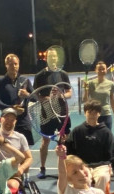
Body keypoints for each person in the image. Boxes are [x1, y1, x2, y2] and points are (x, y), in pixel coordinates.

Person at [62, 99, 114, 193]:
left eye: (95, 112)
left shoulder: (106, 132)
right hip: (83, 166)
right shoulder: (77, 131)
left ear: (99, 114)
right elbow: (69, 152)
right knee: (82, 179)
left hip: (102, 166)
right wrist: (64, 144)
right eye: (89, 112)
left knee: (102, 177)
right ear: (85, 113)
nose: (92, 115)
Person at [33, 48, 73, 179]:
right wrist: (44, 99)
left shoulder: (63, 74)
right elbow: (36, 94)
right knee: (45, 141)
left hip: (62, 112)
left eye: (54, 57)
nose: (52, 59)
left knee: (64, 140)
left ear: (57, 58)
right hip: (46, 113)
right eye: (50, 57)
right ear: (46, 58)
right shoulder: (39, 76)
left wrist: (62, 96)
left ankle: (66, 167)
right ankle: (43, 168)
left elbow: (69, 92)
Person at [0, 53, 34, 146]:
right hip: (7, 123)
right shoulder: (0, 83)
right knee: (8, 152)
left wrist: (27, 94)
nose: (13, 66)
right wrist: (11, 108)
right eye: (10, 64)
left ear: (18, 65)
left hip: (24, 122)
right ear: (6, 65)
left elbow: (35, 98)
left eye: (15, 64)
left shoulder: (25, 80)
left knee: (26, 153)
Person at [82, 61, 114, 130]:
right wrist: (86, 89)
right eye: (99, 69)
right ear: (96, 70)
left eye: (103, 69)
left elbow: (112, 101)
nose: (101, 71)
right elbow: (85, 100)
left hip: (106, 115)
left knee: (106, 138)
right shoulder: (90, 83)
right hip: (94, 116)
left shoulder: (111, 84)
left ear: (106, 70)